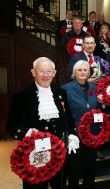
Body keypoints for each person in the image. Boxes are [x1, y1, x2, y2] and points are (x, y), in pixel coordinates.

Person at [6, 57, 75, 189]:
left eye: (49, 71)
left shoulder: (61, 93)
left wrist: (72, 134)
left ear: (54, 73)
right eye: (41, 71)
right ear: (33, 72)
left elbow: (68, 119)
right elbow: (11, 127)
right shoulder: (21, 96)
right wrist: (28, 133)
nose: (45, 75)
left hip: (58, 156)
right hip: (34, 157)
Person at [62, 60, 102, 189]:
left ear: (89, 72)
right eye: (80, 70)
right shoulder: (66, 89)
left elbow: (98, 110)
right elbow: (65, 114)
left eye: (85, 70)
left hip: (92, 135)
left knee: (90, 169)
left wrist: (102, 103)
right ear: (74, 72)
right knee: (75, 170)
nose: (83, 72)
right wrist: (69, 134)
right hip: (75, 136)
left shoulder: (94, 88)